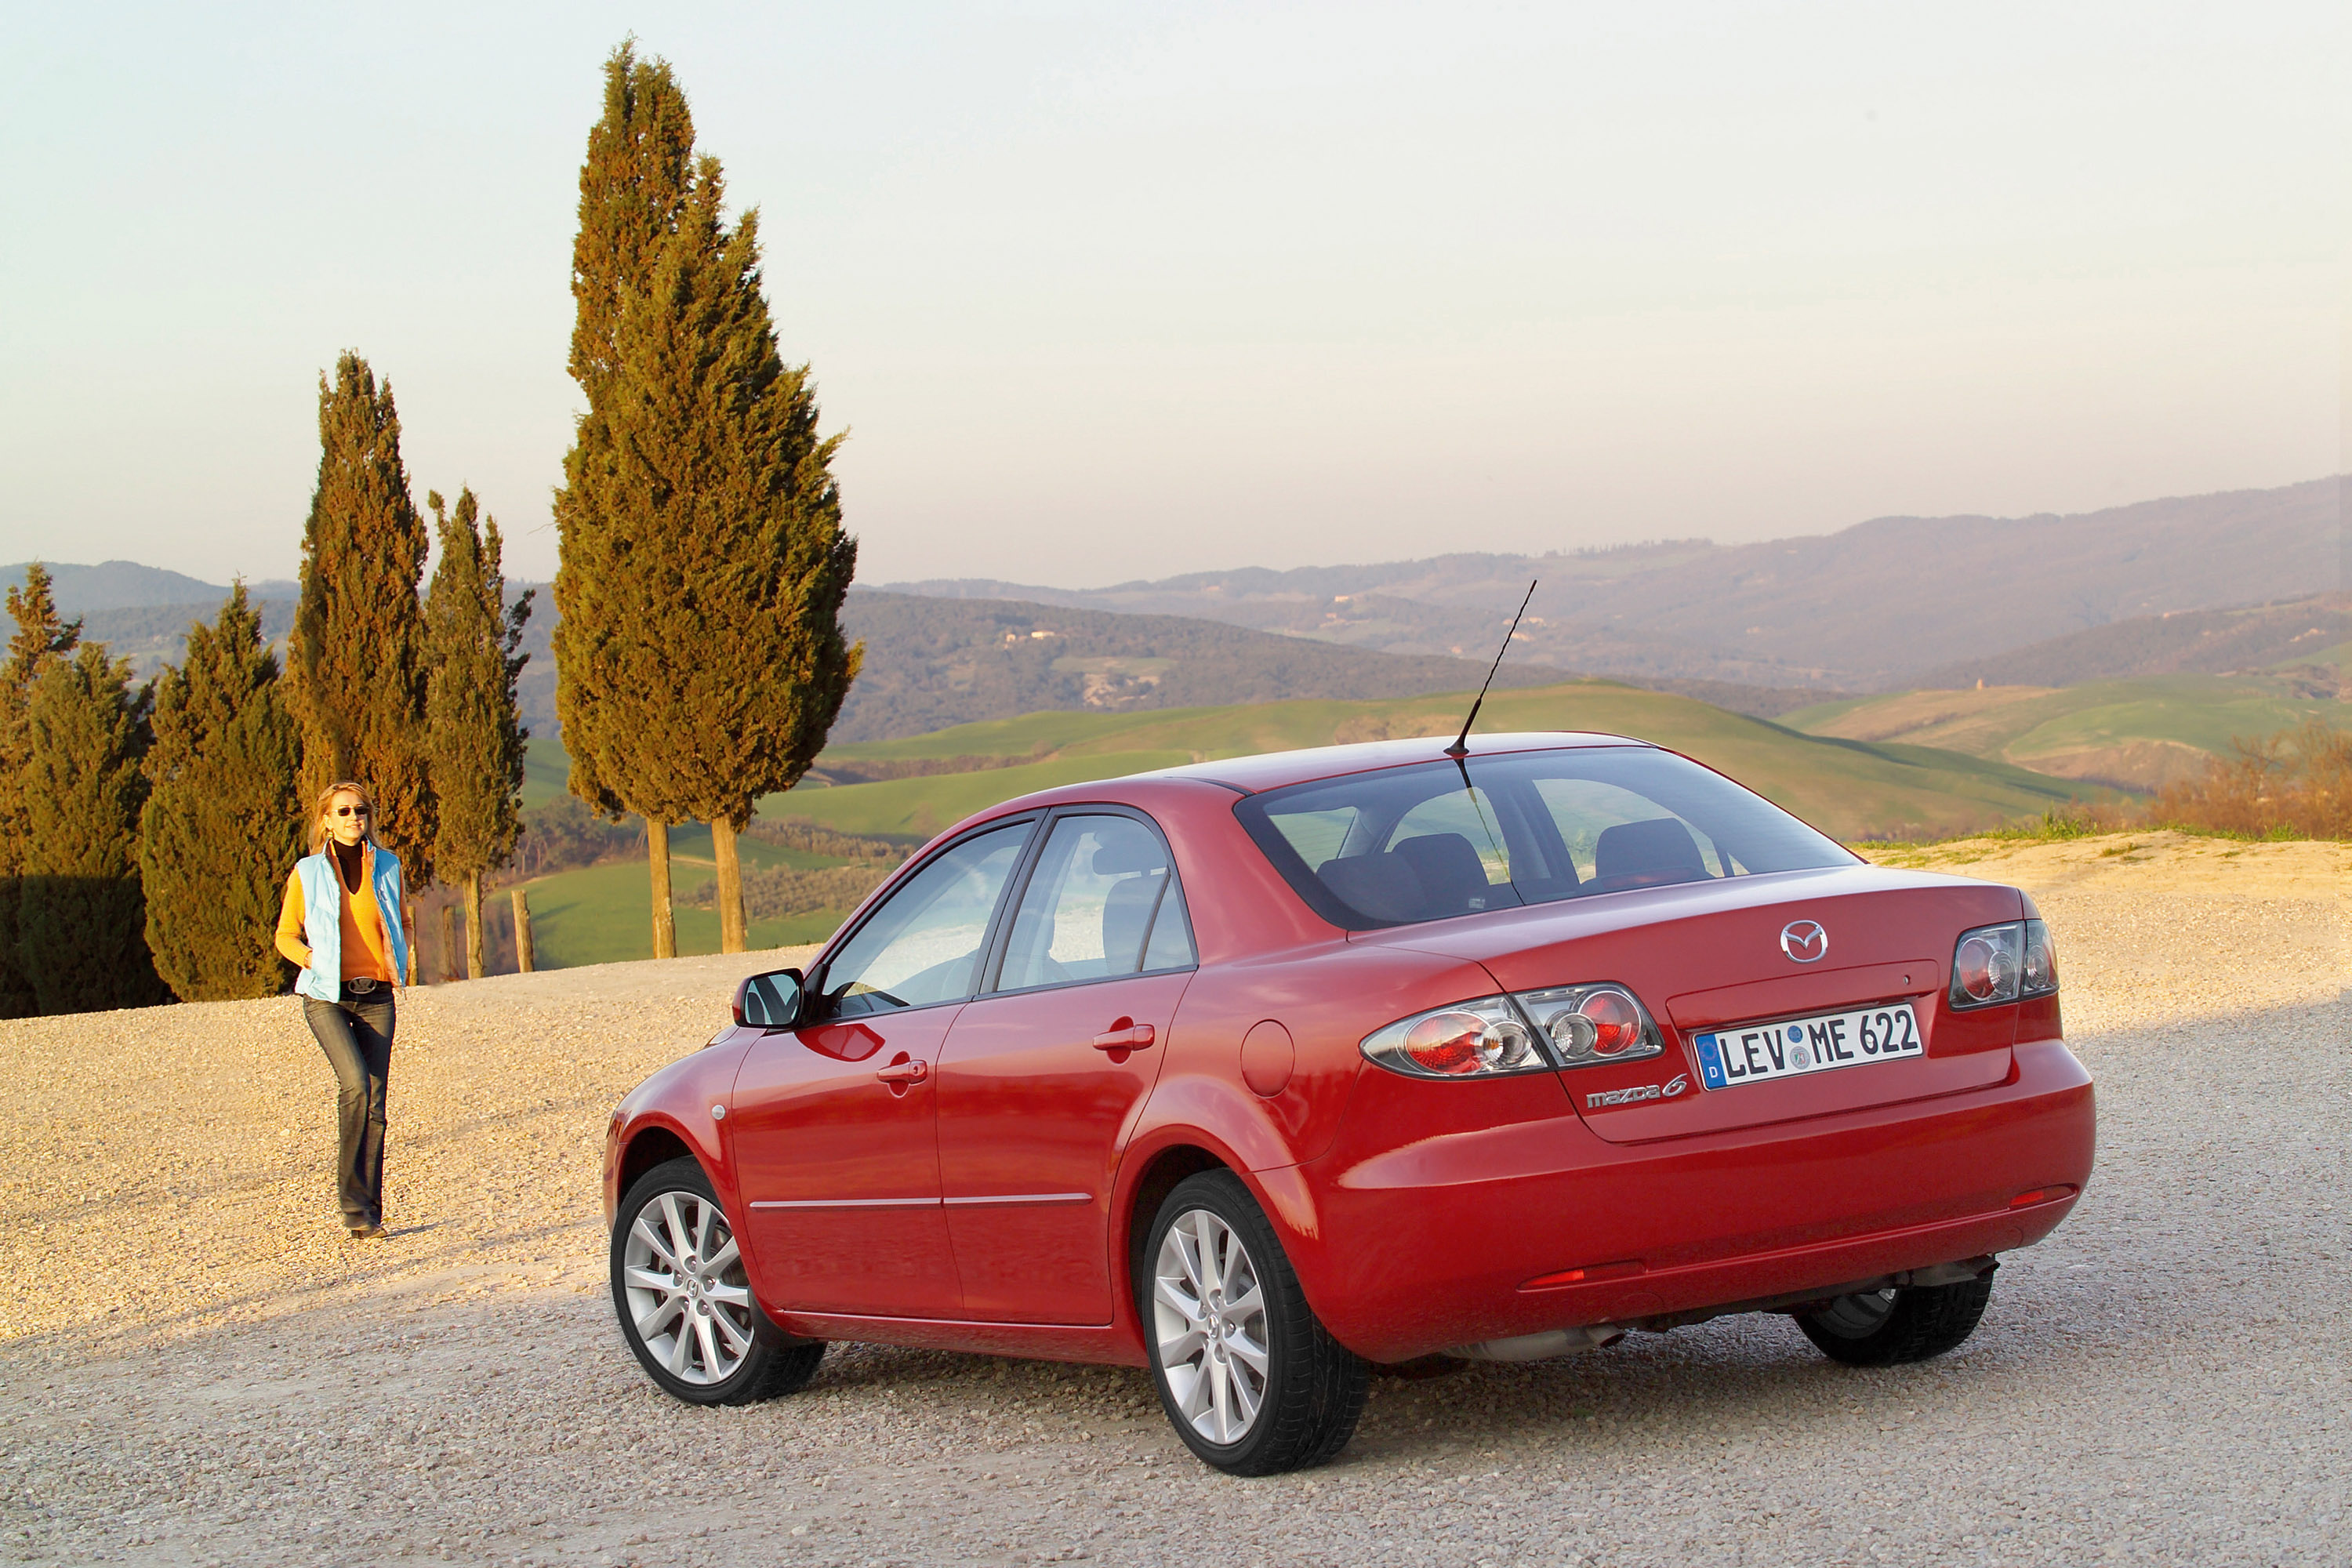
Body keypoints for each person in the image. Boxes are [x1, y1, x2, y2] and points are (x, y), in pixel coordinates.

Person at [273, 780, 410, 1240]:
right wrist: (316, 960)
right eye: (344, 812)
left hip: (377, 997)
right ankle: (353, 1205)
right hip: (325, 997)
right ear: (327, 821)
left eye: (361, 811)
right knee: (354, 1084)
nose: (355, 819)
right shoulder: (307, 872)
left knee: (375, 1102)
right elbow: (285, 936)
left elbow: (401, 920)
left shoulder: (389, 866)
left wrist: (402, 956)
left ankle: (366, 1213)